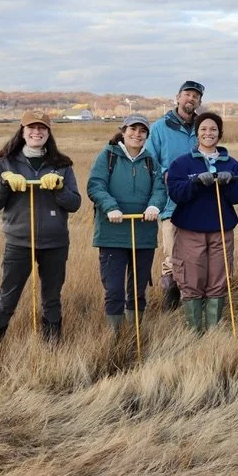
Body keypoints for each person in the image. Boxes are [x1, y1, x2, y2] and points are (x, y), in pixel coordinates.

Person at [0, 109, 82, 345]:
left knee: (52, 299)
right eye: (32, 128)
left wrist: (58, 187)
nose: (37, 132)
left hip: (55, 242)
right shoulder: (6, 163)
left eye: (42, 128)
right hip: (19, 242)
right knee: (7, 297)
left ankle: (52, 348)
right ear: (23, 131)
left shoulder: (62, 165)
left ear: (48, 132)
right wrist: (5, 183)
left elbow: (75, 203)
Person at [166, 112, 238, 333]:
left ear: (220, 133)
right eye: (203, 129)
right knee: (191, 279)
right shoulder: (182, 163)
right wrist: (194, 183)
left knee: (218, 279)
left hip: (221, 230)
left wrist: (228, 183)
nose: (208, 133)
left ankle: (213, 330)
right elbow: (175, 192)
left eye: (213, 129)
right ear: (196, 133)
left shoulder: (230, 163)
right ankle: (195, 331)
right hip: (190, 230)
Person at [86, 114, 167, 334]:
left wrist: (154, 207)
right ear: (123, 131)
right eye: (132, 129)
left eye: (142, 131)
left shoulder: (151, 161)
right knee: (114, 290)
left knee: (138, 289)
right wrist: (111, 207)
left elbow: (160, 189)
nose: (137, 134)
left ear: (147, 136)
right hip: (112, 234)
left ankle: (135, 332)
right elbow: (95, 185)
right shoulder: (108, 156)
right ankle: (116, 336)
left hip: (143, 234)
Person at [147, 79, 204, 311]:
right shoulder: (161, 127)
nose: (191, 99)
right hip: (170, 202)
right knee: (171, 255)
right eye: (187, 94)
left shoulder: (202, 127)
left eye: (196, 96)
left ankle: (191, 299)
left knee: (196, 255)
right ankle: (170, 302)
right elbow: (149, 160)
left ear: (200, 101)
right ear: (178, 97)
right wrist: (166, 174)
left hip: (198, 203)